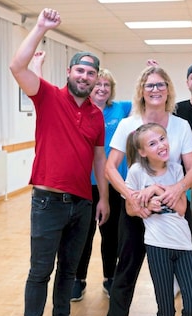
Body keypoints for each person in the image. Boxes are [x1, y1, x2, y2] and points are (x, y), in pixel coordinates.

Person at [93, 65, 192, 316]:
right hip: (139, 210)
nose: (155, 90)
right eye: (149, 85)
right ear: (141, 90)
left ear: (168, 89)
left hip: (174, 211)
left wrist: (178, 190)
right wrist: (133, 197)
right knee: (126, 267)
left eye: (160, 84)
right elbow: (110, 167)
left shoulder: (180, 126)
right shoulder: (129, 124)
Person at [9, 8, 109, 316]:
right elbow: (17, 67)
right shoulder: (48, 97)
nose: (85, 76)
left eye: (91, 73)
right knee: (40, 271)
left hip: (82, 204)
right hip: (48, 202)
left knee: (69, 269)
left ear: (97, 80)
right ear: (69, 72)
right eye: (80, 70)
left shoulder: (97, 116)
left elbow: (99, 160)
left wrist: (104, 199)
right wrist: (39, 27)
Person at [124, 123, 192, 316]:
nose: (161, 145)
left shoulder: (178, 170)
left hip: (184, 246)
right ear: (142, 152)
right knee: (166, 310)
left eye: (162, 138)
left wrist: (157, 188)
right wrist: (146, 204)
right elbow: (129, 208)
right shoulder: (136, 172)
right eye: (152, 143)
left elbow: (180, 208)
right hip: (157, 247)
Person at [71, 68, 132, 301]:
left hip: (114, 182)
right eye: (98, 85)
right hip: (86, 183)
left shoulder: (121, 108)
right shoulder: (80, 111)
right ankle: (78, 279)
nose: (102, 89)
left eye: (107, 85)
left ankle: (110, 277)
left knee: (112, 235)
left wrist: (151, 71)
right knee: (83, 235)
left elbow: (145, 103)